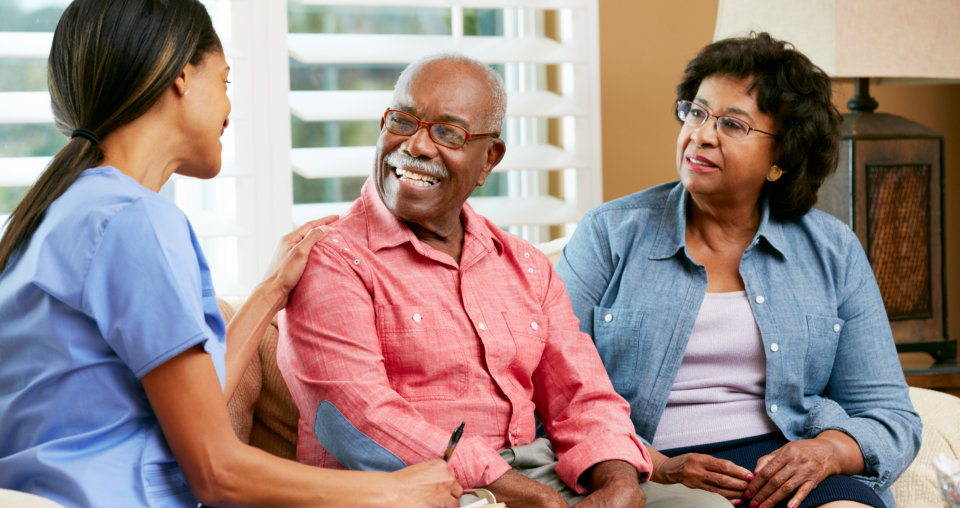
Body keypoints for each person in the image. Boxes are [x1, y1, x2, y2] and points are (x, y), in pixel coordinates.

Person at [0, 1, 461, 506]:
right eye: (224, 82)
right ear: (180, 77)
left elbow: (194, 410)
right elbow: (216, 471)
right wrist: (395, 490)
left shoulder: (55, 214)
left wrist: (271, 290)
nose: (228, 109)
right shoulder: (136, 223)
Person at [277, 53, 729, 508]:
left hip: (539, 475)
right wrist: (526, 495)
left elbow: (583, 395)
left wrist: (618, 481)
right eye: (403, 121)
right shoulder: (331, 258)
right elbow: (357, 421)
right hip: (419, 489)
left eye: (447, 133)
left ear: (488, 158)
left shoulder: (526, 265)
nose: (415, 146)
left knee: (703, 506)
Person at [556, 32, 922, 508]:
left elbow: (890, 415)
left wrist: (826, 452)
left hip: (786, 467)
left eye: (732, 124)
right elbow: (552, 388)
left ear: (781, 160)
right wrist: (652, 463)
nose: (701, 134)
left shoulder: (832, 250)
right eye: (697, 111)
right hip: (647, 465)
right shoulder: (610, 233)